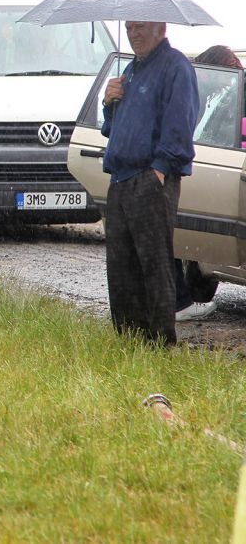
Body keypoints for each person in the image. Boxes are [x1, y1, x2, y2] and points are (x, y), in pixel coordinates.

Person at [101, 21, 199, 346]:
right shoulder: (130, 71)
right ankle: (130, 341)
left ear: (160, 27)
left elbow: (181, 126)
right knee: (121, 269)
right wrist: (108, 103)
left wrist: (159, 170)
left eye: (140, 27)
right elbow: (113, 128)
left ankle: (160, 344)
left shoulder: (175, 67)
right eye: (129, 27)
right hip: (120, 180)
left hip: (151, 180)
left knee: (154, 265)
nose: (133, 34)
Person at [174, 45, 242, 321]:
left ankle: (176, 301)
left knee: (170, 236)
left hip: (194, 167)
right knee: (171, 236)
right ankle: (178, 301)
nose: (227, 86)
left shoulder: (219, 95)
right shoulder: (204, 94)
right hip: (184, 168)